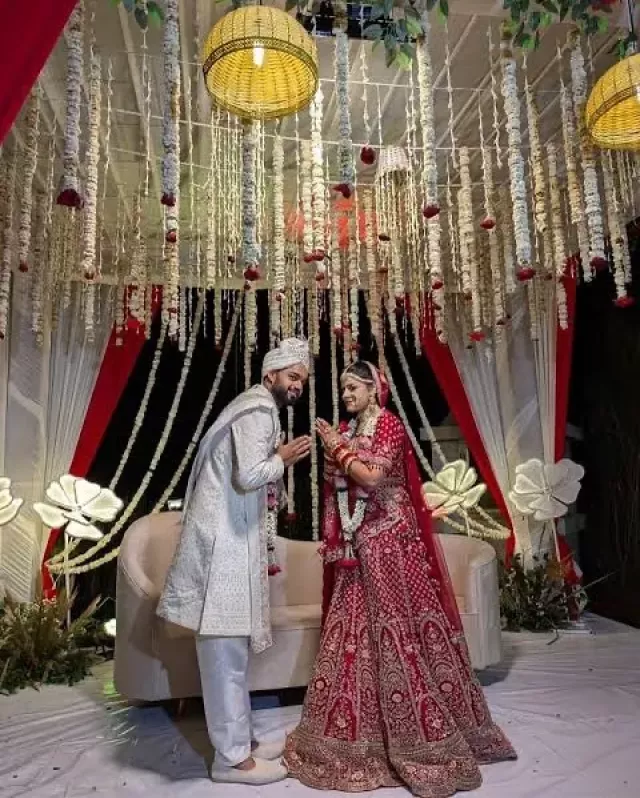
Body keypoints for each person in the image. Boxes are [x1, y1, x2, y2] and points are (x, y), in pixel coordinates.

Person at [284, 360, 516, 797]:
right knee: (352, 628)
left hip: (391, 540)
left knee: (396, 627)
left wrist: (337, 449)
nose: (346, 395)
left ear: (374, 390)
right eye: (343, 388)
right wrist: (336, 458)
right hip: (358, 541)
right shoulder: (351, 430)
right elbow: (341, 482)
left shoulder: (388, 424)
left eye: (353, 387)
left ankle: (419, 734)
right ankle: (354, 732)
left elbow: (372, 478)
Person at [157, 338, 311, 786]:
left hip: (226, 544)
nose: (298, 386)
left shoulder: (251, 406)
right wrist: (282, 458)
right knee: (225, 658)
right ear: (270, 375)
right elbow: (249, 475)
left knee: (231, 656)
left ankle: (242, 743)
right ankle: (231, 761)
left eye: (303, 380)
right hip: (222, 549)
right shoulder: (258, 410)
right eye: (292, 376)